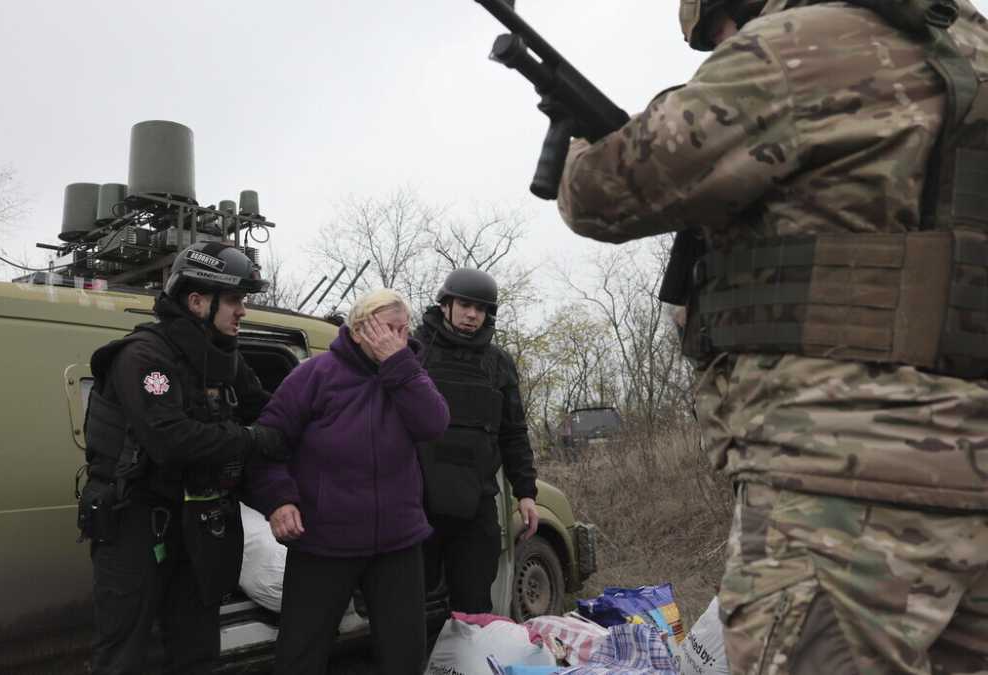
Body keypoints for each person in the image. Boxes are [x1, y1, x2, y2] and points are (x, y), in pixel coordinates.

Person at [557, 1, 988, 672]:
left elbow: (606, 192)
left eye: (722, 26)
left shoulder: (795, 44)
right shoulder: (975, 46)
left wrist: (579, 143)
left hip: (841, 482)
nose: (725, 43)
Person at [77, 242, 288, 675]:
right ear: (197, 301)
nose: (243, 311)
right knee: (123, 655)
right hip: (134, 522)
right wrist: (252, 439)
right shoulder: (144, 356)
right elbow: (170, 441)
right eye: (234, 300)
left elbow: (269, 409)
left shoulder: (225, 358)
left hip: (194, 525)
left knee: (198, 650)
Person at [245, 289, 450, 675]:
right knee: (301, 652)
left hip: (397, 539)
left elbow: (434, 424)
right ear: (358, 331)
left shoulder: (408, 375)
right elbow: (266, 445)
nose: (399, 339)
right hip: (325, 539)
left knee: (404, 654)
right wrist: (279, 500)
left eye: (404, 331)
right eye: (388, 329)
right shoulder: (313, 376)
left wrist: (400, 366)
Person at [415, 268, 539, 615]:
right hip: (418, 502)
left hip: (476, 504)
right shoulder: (415, 351)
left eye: (481, 309)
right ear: (446, 305)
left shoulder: (498, 363)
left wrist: (527, 493)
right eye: (465, 305)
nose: (472, 315)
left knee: (475, 608)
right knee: (410, 607)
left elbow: (514, 431)